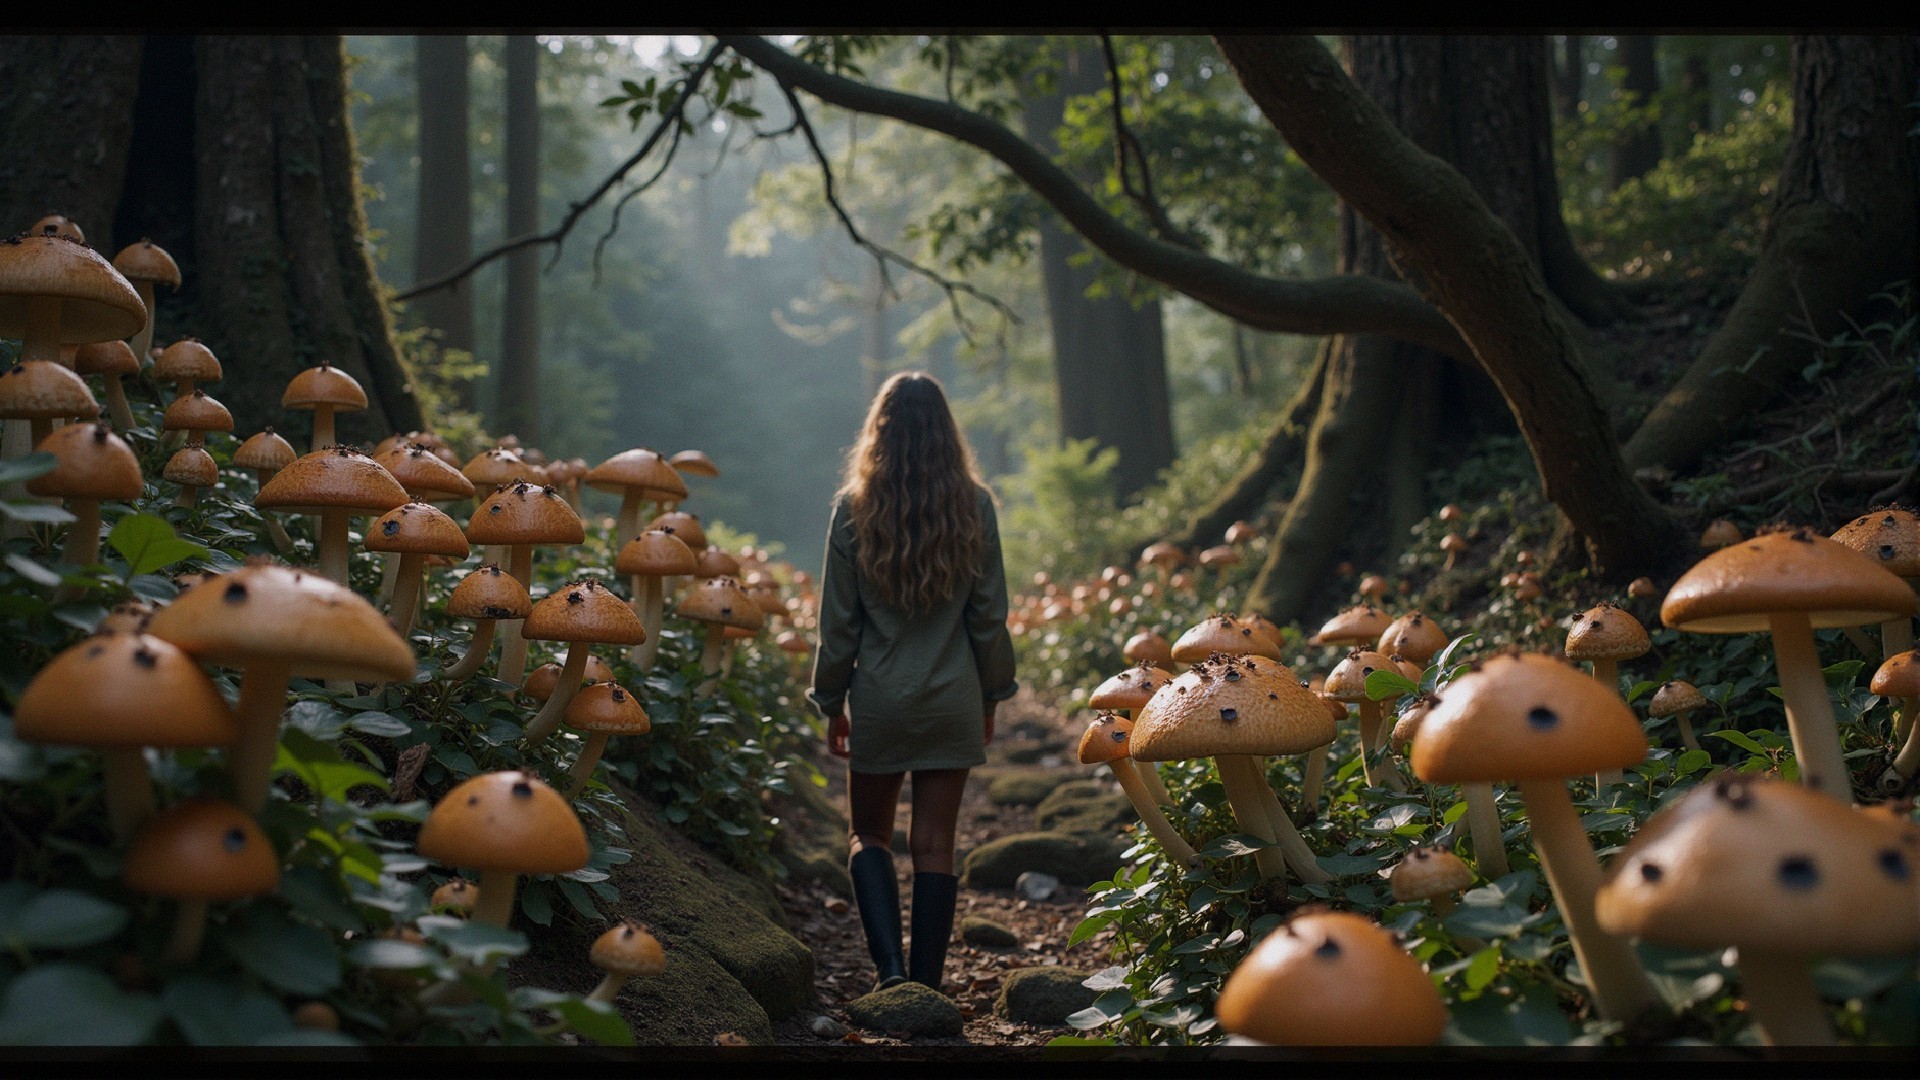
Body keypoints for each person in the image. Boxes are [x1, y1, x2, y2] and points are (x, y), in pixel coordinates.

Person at [808, 371, 1018, 994]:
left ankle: (890, 974)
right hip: (951, 699)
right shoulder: (975, 505)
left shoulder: (853, 508)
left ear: (880, 433)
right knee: (934, 846)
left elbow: (838, 626)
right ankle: (927, 983)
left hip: (878, 701)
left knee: (868, 834)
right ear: (946, 435)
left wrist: (830, 701)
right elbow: (989, 617)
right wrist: (990, 697)